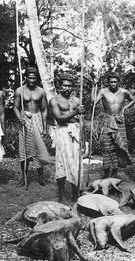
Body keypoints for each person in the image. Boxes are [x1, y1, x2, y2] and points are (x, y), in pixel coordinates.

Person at [13, 66, 53, 187]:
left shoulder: (41, 91)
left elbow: (45, 109)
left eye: (34, 78)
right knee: (24, 149)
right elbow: (15, 107)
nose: (31, 80)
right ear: (25, 78)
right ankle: (24, 177)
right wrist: (20, 118)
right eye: (29, 78)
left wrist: (45, 128)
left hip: (37, 119)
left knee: (38, 148)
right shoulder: (20, 90)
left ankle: (41, 177)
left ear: (37, 78)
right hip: (24, 120)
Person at [49, 71, 85, 203]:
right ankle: (61, 194)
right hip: (62, 132)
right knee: (61, 162)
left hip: (75, 132)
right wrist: (75, 112)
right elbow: (59, 119)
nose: (67, 88)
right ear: (59, 86)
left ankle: (76, 194)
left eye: (69, 86)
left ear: (73, 87)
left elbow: (81, 121)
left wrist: (83, 140)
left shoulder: (77, 100)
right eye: (64, 85)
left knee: (76, 163)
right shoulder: (54, 100)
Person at [93, 72, 135, 178]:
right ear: (108, 82)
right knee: (107, 147)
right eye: (111, 82)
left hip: (120, 121)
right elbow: (93, 102)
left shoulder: (124, 92)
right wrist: (94, 87)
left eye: (115, 82)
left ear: (118, 82)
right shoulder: (103, 92)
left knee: (120, 147)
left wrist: (125, 108)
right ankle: (106, 174)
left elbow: (133, 100)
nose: (113, 84)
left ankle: (115, 174)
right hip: (108, 120)